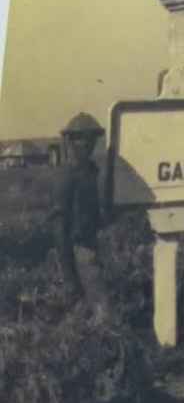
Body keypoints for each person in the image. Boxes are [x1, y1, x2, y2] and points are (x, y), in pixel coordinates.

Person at [50, 112, 112, 323]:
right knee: (100, 307)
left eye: (90, 137)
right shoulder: (67, 174)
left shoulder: (91, 171)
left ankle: (87, 335)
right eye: (79, 138)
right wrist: (67, 269)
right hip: (77, 245)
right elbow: (60, 223)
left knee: (88, 302)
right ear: (70, 141)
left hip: (89, 241)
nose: (86, 143)